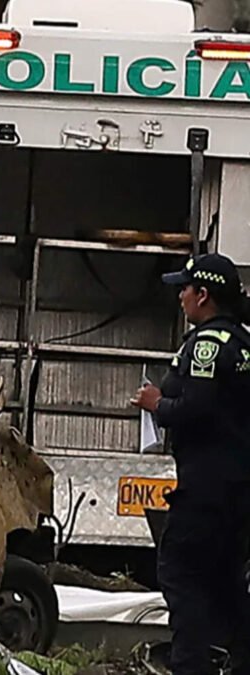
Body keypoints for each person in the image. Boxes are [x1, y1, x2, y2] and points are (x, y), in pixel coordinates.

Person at [132, 253, 250, 675]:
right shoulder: (243, 339)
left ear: (203, 295)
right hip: (237, 488)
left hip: (206, 488)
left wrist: (156, 404)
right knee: (227, 581)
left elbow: (198, 408)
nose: (180, 296)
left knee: (182, 575)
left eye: (184, 288)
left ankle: (190, 666)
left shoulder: (206, 343)